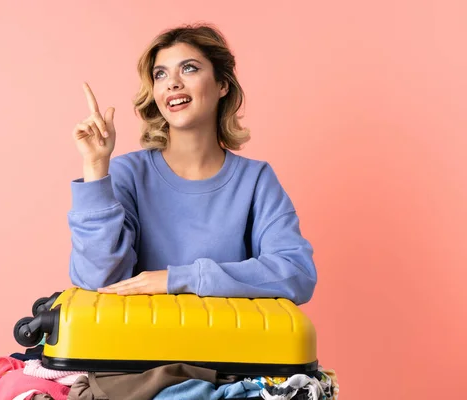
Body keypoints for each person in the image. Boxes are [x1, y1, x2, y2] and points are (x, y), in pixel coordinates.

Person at [67, 24, 317, 304]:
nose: (172, 82)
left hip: (226, 344)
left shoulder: (256, 179)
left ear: (222, 85)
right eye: (160, 74)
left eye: (189, 69)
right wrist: (95, 167)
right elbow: (97, 279)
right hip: (138, 344)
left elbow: (296, 273)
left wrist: (178, 279)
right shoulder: (127, 174)